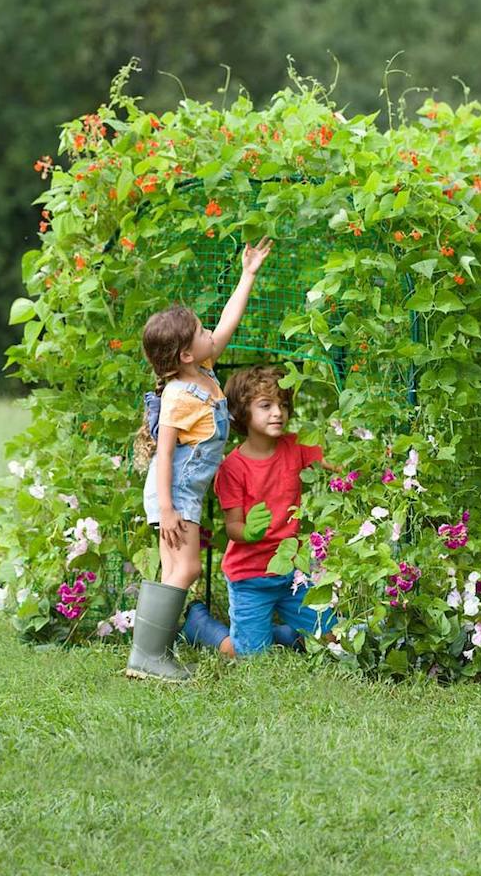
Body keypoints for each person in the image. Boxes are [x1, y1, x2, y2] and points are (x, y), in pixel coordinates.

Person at [125, 237, 272, 681]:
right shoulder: (178, 395)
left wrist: (247, 275)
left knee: (174, 568)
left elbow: (228, 323)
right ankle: (147, 656)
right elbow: (164, 456)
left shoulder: (204, 373)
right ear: (186, 354)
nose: (212, 334)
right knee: (186, 567)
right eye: (202, 333)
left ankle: (153, 654)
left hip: (179, 495)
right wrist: (168, 510)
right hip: (173, 495)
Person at [212, 364, 336, 656]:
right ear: (243, 412)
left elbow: (337, 461)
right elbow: (233, 527)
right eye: (266, 406)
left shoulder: (295, 446)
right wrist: (249, 532)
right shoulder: (233, 468)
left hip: (294, 574)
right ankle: (203, 627)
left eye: (282, 404)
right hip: (250, 578)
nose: (278, 412)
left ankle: (278, 631)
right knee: (251, 656)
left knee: (334, 639)